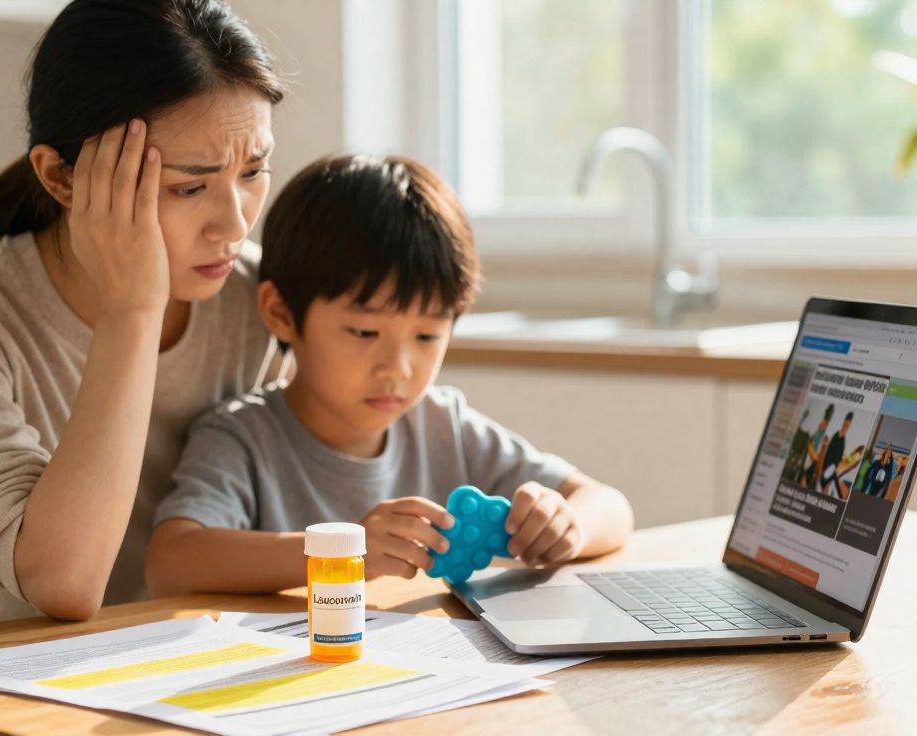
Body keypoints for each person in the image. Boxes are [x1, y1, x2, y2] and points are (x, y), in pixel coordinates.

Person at [0, 0, 286, 637]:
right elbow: (64, 581)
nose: (236, 222)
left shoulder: (256, 301)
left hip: (132, 681)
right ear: (61, 177)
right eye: (189, 187)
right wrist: (133, 309)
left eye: (253, 173)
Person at [144, 154, 634, 594]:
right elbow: (173, 560)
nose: (397, 368)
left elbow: (609, 505)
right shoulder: (240, 437)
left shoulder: (445, 425)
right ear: (282, 312)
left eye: (426, 337)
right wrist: (342, 554)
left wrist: (566, 525)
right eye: (363, 332)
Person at [819, 412, 854, 498]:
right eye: (845, 424)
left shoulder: (844, 441)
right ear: (843, 423)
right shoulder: (835, 435)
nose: (846, 427)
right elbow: (826, 448)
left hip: (834, 469)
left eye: (848, 426)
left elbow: (842, 458)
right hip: (827, 466)